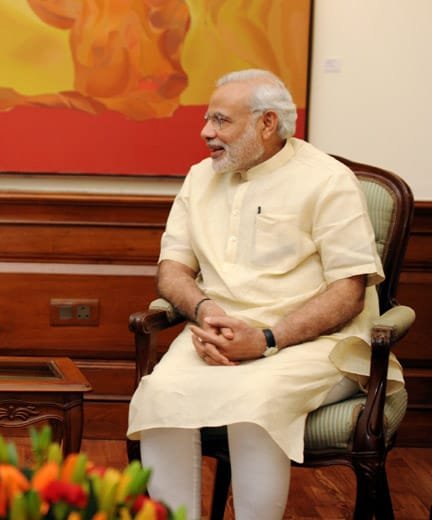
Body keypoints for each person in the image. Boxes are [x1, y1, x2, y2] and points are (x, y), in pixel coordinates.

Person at [126, 69, 404, 520]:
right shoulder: (200, 178)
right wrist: (204, 310)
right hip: (216, 338)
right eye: (207, 119)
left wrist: (267, 339)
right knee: (159, 398)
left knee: (253, 404)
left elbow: (349, 291)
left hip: (315, 345)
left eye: (220, 121)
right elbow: (172, 270)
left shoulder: (327, 180)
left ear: (267, 123)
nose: (206, 132)